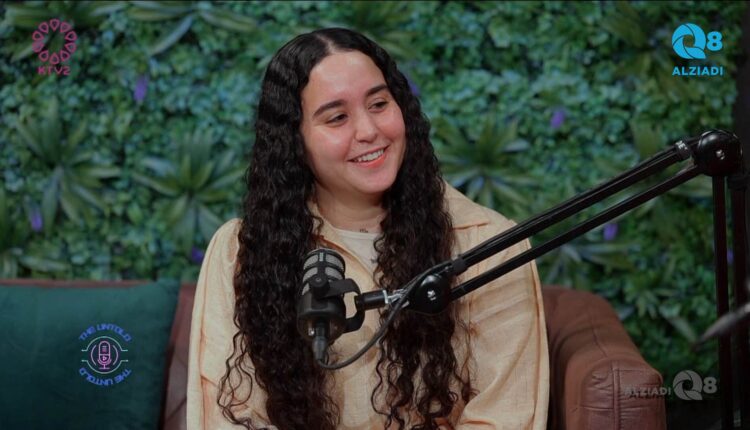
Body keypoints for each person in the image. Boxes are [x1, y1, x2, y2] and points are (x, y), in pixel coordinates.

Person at [186, 27, 549, 430]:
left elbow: (505, 417)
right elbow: (229, 417)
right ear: (294, 141)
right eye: (337, 117)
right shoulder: (239, 250)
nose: (368, 131)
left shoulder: (488, 243)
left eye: (379, 104)